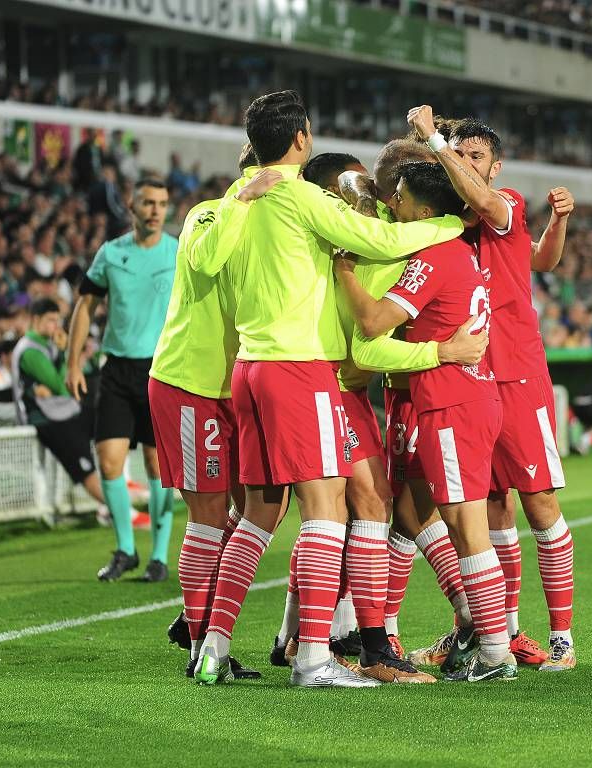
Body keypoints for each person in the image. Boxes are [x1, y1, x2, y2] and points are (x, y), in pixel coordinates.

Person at [190, 91, 465, 688]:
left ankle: (211, 647)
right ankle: (315, 657)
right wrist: (451, 222)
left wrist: (240, 190)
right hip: (299, 368)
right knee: (327, 508)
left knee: (260, 515)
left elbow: (212, 261)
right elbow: (386, 243)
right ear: (302, 139)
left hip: (251, 369)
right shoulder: (300, 196)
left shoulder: (238, 203)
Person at [407, 108, 576, 672]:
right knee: (491, 512)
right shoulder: (450, 229)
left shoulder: (505, 208)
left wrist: (435, 140)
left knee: (540, 504)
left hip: (518, 378)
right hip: (469, 384)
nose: (467, 164)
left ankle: (562, 639)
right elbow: (537, 261)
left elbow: (538, 258)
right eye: (461, 154)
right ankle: (498, 630)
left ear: (496, 166)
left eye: (476, 156)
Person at [335, 160, 517, 682]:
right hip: (471, 401)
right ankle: (480, 633)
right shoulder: (461, 250)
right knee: (445, 522)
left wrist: (345, 270)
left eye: (403, 198)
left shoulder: (433, 258)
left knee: (468, 529)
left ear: (426, 210)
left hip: (449, 405)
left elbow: (372, 322)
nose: (393, 204)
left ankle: (494, 651)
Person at [149, 143, 281, 680]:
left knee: (251, 510)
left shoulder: (269, 224)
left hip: (234, 386)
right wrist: (244, 199)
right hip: (191, 383)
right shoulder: (210, 213)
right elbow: (205, 258)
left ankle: (196, 621)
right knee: (206, 518)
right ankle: (204, 644)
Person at [66, 179, 177, 583]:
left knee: (156, 463)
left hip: (160, 369)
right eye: (148, 202)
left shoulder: (177, 253)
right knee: (110, 462)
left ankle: (160, 557)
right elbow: (86, 305)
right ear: (131, 206)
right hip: (115, 370)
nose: (155, 210)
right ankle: (126, 550)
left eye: (162, 204)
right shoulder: (111, 254)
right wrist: (73, 363)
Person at [12, 299, 104, 505]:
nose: (56, 326)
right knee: (82, 461)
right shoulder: (30, 350)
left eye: (57, 320)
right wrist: (66, 354)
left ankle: (117, 495)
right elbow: (62, 386)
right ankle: (118, 511)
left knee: (109, 424)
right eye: (51, 320)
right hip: (43, 418)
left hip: (63, 411)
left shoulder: (47, 345)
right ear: (36, 320)